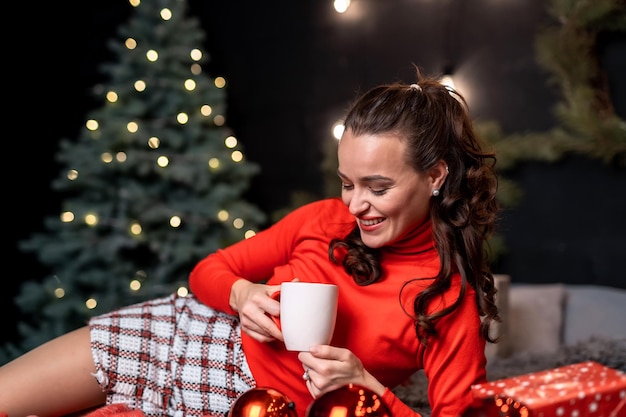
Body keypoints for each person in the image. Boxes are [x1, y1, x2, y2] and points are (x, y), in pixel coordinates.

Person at [0, 69, 500, 417]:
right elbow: (208, 271)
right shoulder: (325, 219)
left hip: (256, 406)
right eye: (348, 183)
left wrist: (368, 391)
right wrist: (241, 295)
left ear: (435, 175)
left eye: (378, 187)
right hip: (179, 339)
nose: (355, 205)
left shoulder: (447, 299)